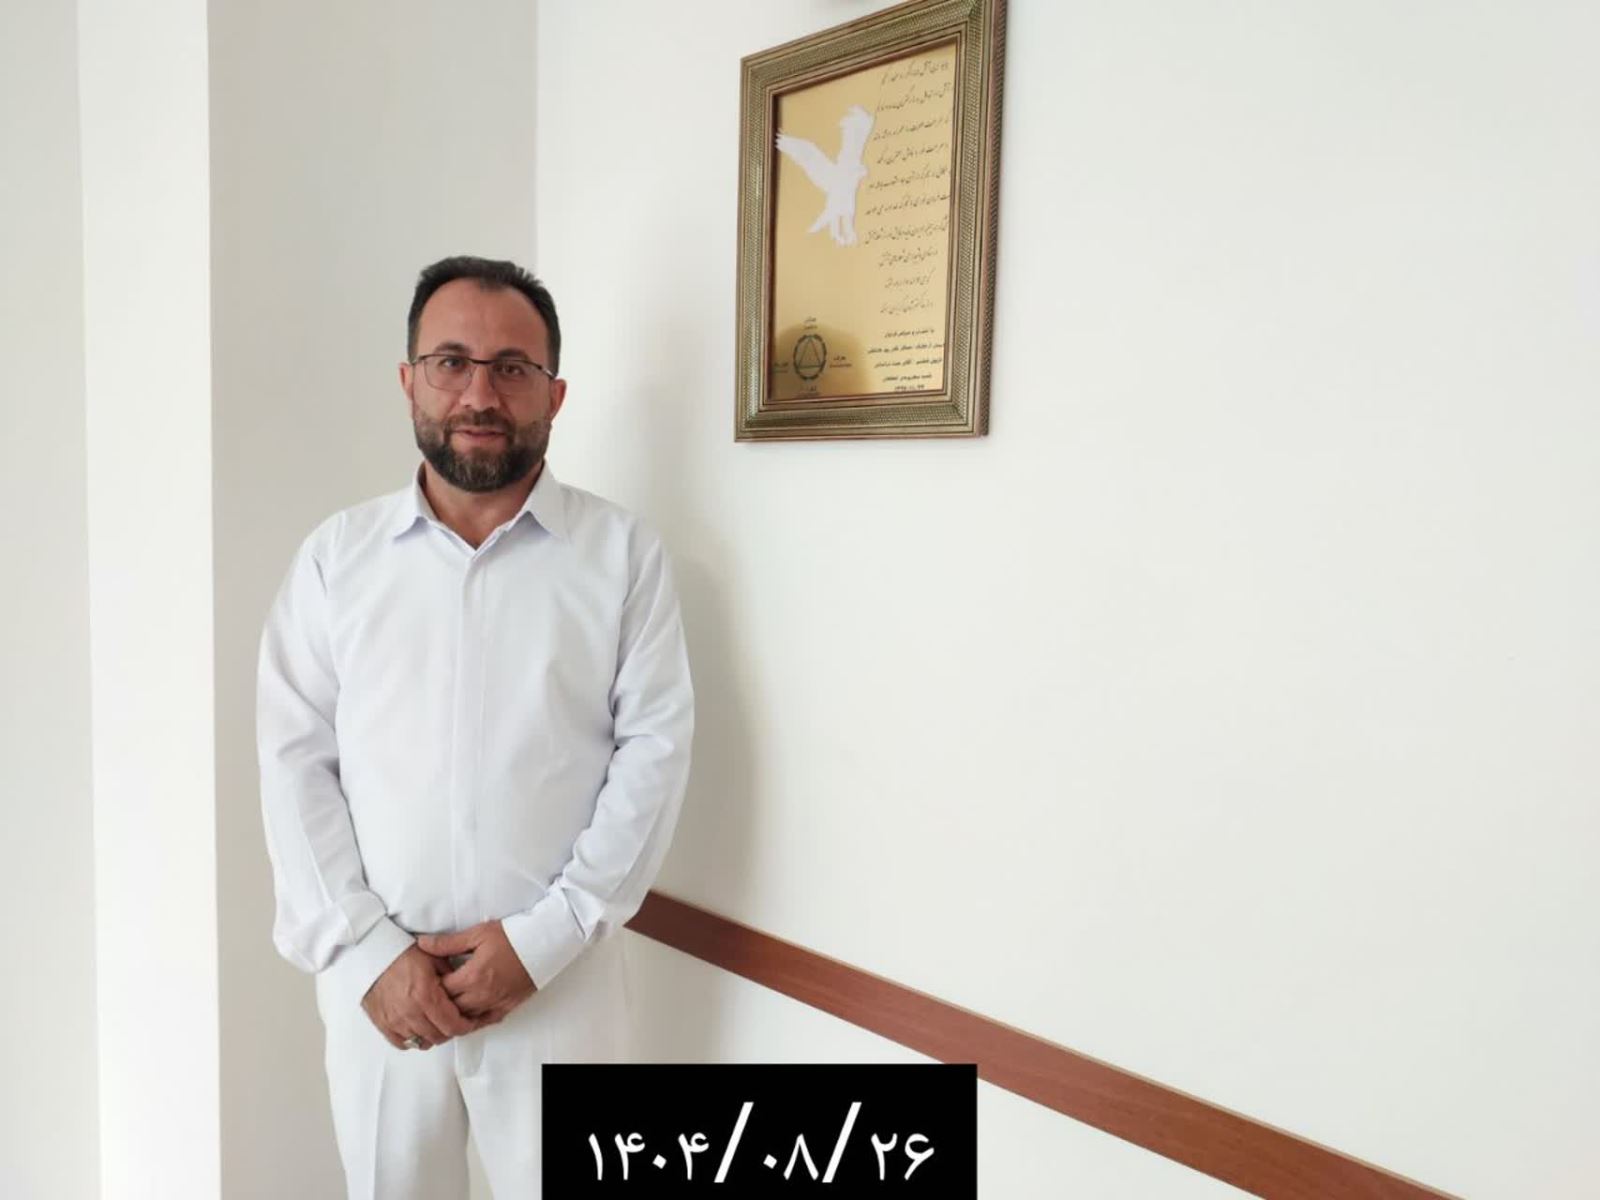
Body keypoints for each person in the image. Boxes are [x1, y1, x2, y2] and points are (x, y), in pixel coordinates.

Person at [255, 255, 695, 1199]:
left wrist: (544, 942)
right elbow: (294, 764)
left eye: (513, 368)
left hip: (562, 992)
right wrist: (371, 954)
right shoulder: (337, 561)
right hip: (382, 996)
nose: (480, 394)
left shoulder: (623, 557)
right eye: (451, 362)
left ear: (556, 393)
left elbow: (654, 758)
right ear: (409, 379)